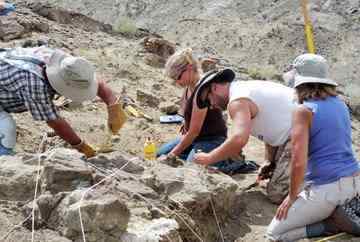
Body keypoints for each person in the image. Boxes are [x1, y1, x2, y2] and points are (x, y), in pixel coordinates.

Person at [266, 53, 360, 242]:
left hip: (328, 190)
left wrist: (291, 197)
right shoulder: (341, 104)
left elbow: (298, 161)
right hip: (355, 183)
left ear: (299, 82)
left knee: (273, 234)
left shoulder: (304, 111)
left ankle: (331, 225)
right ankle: (337, 215)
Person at [0, 46, 127, 157]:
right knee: (6, 131)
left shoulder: (63, 62)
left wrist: (113, 104)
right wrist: (80, 146)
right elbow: (55, 122)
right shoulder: (34, 84)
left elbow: (87, 79)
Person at [193, 69, 296, 203]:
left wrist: (209, 158)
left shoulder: (237, 100)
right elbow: (271, 127)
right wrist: (269, 161)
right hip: (297, 130)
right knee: (269, 177)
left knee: (277, 193)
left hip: (306, 132)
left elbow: (239, 139)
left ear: (214, 87)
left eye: (208, 100)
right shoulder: (244, 89)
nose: (211, 106)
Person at [157, 48, 245, 172]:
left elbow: (194, 132)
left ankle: (230, 158)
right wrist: (185, 122)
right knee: (159, 154)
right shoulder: (188, 87)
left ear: (189, 68)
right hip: (196, 139)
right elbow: (188, 115)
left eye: (178, 77)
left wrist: (171, 156)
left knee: (192, 167)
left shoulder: (202, 89)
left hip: (212, 138)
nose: (176, 82)